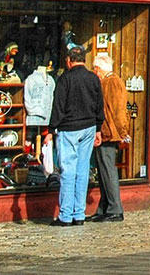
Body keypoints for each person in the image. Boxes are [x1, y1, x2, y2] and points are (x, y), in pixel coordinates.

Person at [46, 46, 102, 226]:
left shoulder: (65, 79)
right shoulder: (93, 78)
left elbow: (58, 106)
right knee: (82, 170)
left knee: (68, 172)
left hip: (69, 128)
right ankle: (79, 214)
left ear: (69, 61)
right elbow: (99, 104)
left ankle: (65, 215)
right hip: (89, 127)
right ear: (84, 60)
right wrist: (98, 128)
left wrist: (51, 130)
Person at [90, 53, 129, 222]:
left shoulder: (112, 82)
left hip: (110, 133)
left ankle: (114, 209)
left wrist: (122, 132)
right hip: (105, 132)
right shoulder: (107, 82)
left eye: (95, 69)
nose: (94, 72)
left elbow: (118, 110)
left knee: (108, 170)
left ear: (99, 69)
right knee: (103, 172)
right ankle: (105, 207)